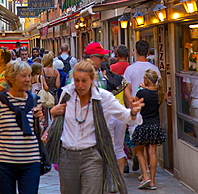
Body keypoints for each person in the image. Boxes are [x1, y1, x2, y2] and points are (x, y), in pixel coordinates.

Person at [47, 60, 144, 194]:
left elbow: (125, 115)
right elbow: (59, 119)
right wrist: (53, 112)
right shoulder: (67, 94)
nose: (80, 85)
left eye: (84, 81)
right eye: (77, 80)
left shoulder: (103, 98)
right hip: (67, 156)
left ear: (92, 79)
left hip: (91, 156)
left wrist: (133, 112)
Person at [0, 59, 43, 194]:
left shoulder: (34, 100)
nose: (28, 79)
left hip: (30, 162)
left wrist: (39, 120)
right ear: (11, 78)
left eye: (29, 75)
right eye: (23, 76)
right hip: (4, 163)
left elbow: (37, 132)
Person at [124, 40, 161, 173]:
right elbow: (158, 88)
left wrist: (131, 101)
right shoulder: (155, 69)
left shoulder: (130, 69)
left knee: (139, 143)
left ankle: (144, 173)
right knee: (150, 147)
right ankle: (150, 176)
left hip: (137, 111)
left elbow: (127, 88)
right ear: (147, 51)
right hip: (152, 112)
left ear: (135, 51)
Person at [132, 69, 166, 190]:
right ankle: (152, 181)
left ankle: (145, 175)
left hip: (143, 124)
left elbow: (134, 103)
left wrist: (140, 89)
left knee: (139, 151)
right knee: (152, 152)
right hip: (155, 125)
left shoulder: (142, 93)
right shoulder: (159, 92)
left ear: (146, 80)